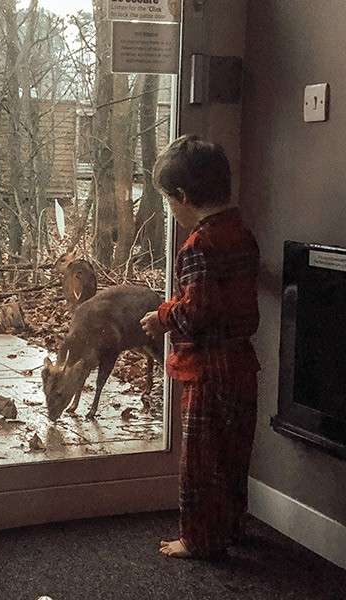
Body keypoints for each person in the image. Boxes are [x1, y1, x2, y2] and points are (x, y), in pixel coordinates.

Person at [141, 135, 260, 560]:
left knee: (200, 463)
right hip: (243, 365)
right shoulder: (241, 234)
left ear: (183, 197)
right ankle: (231, 527)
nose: (171, 210)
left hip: (208, 373)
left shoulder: (198, 246)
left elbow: (196, 312)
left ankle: (198, 539)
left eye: (168, 202)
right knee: (233, 457)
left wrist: (162, 315)